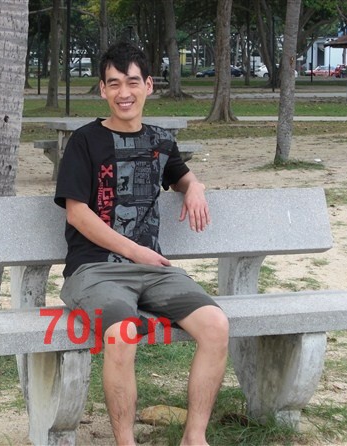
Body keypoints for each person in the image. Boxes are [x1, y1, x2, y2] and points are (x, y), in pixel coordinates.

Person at [54, 41, 229, 446]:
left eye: (132, 82)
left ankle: (194, 437)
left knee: (216, 325)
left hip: (152, 272)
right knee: (122, 333)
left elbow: (180, 174)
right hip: (94, 270)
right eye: (114, 83)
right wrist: (136, 252)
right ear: (102, 89)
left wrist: (195, 186)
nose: (124, 92)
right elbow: (77, 214)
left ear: (148, 85)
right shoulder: (84, 141)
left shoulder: (160, 141)